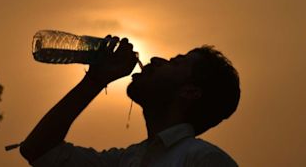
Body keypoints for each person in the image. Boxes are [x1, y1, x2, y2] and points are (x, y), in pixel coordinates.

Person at [20, 36, 240, 166]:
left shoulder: (204, 159)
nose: (155, 59)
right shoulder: (127, 160)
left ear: (190, 92)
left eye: (174, 63)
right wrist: (96, 80)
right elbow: (38, 150)